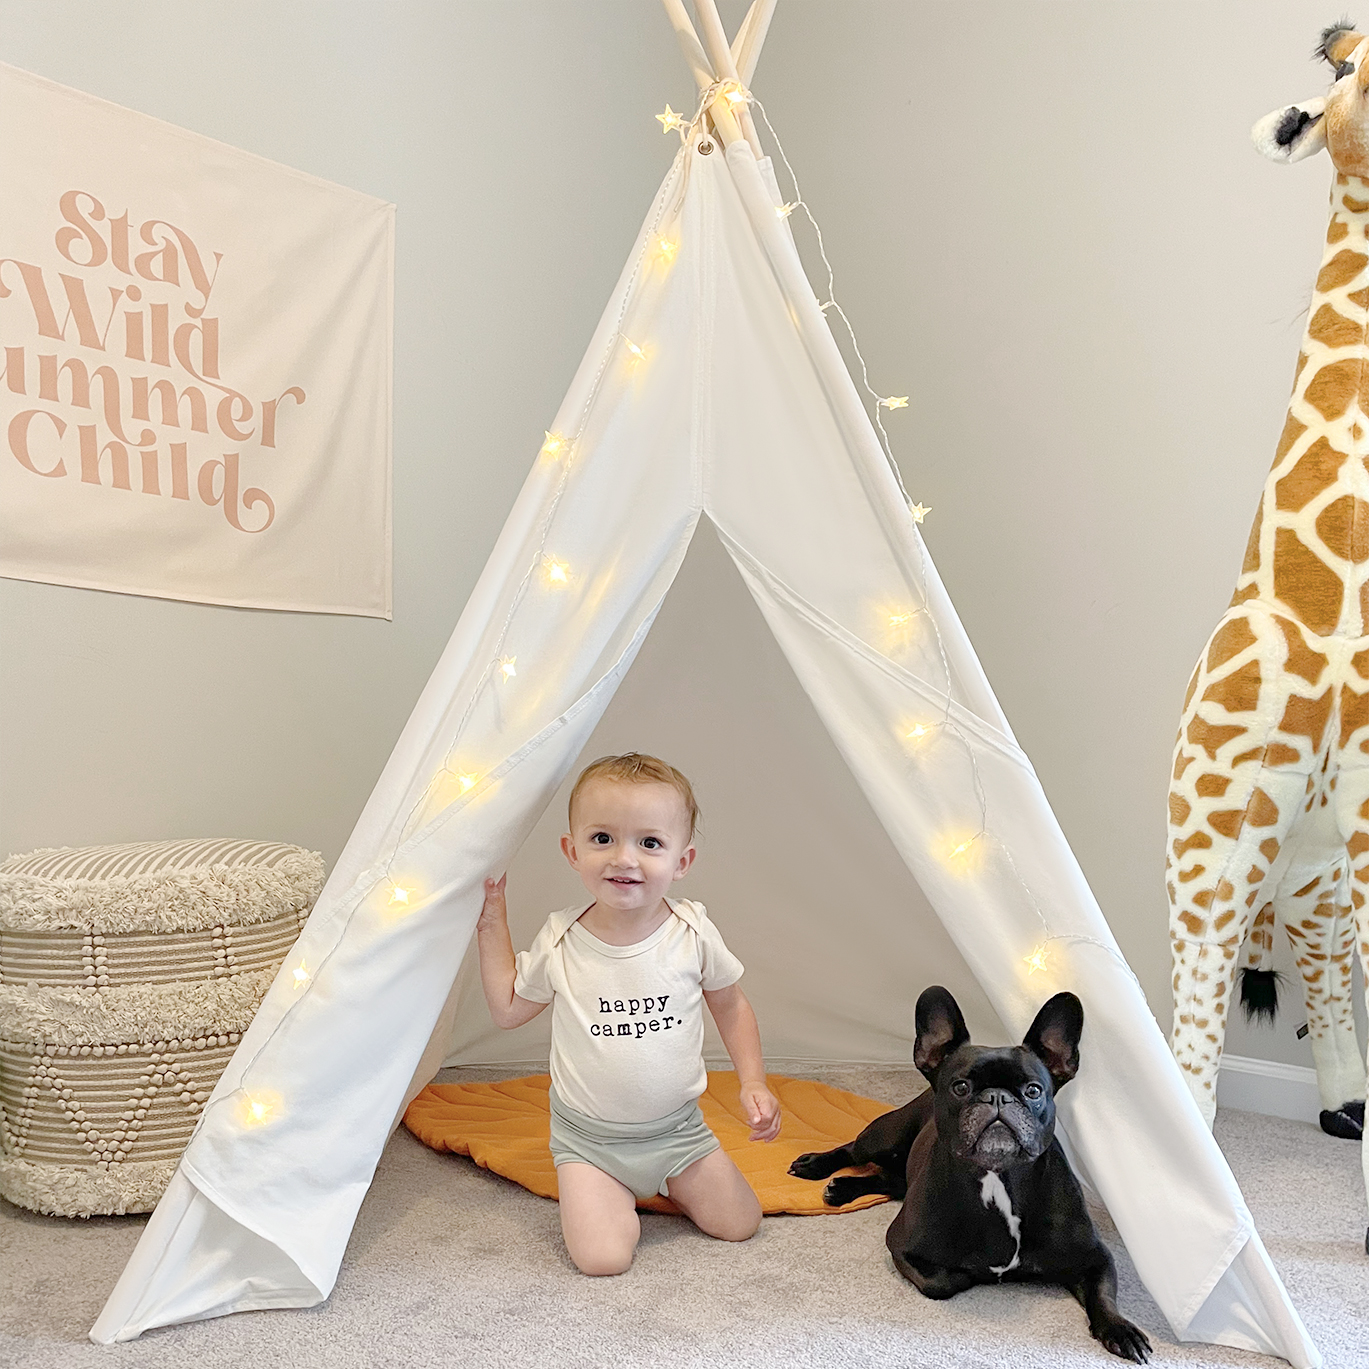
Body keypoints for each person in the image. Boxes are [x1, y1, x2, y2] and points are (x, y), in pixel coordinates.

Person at [476, 752, 781, 1275]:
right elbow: (506, 1009)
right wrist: (491, 919)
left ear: (681, 862)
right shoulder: (561, 939)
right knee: (603, 1259)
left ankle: (668, 1183)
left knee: (740, 1223)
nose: (625, 858)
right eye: (602, 839)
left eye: (650, 843)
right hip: (589, 1142)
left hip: (679, 1133)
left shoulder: (692, 933)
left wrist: (753, 1081)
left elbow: (731, 1005)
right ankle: (609, 1194)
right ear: (572, 851)